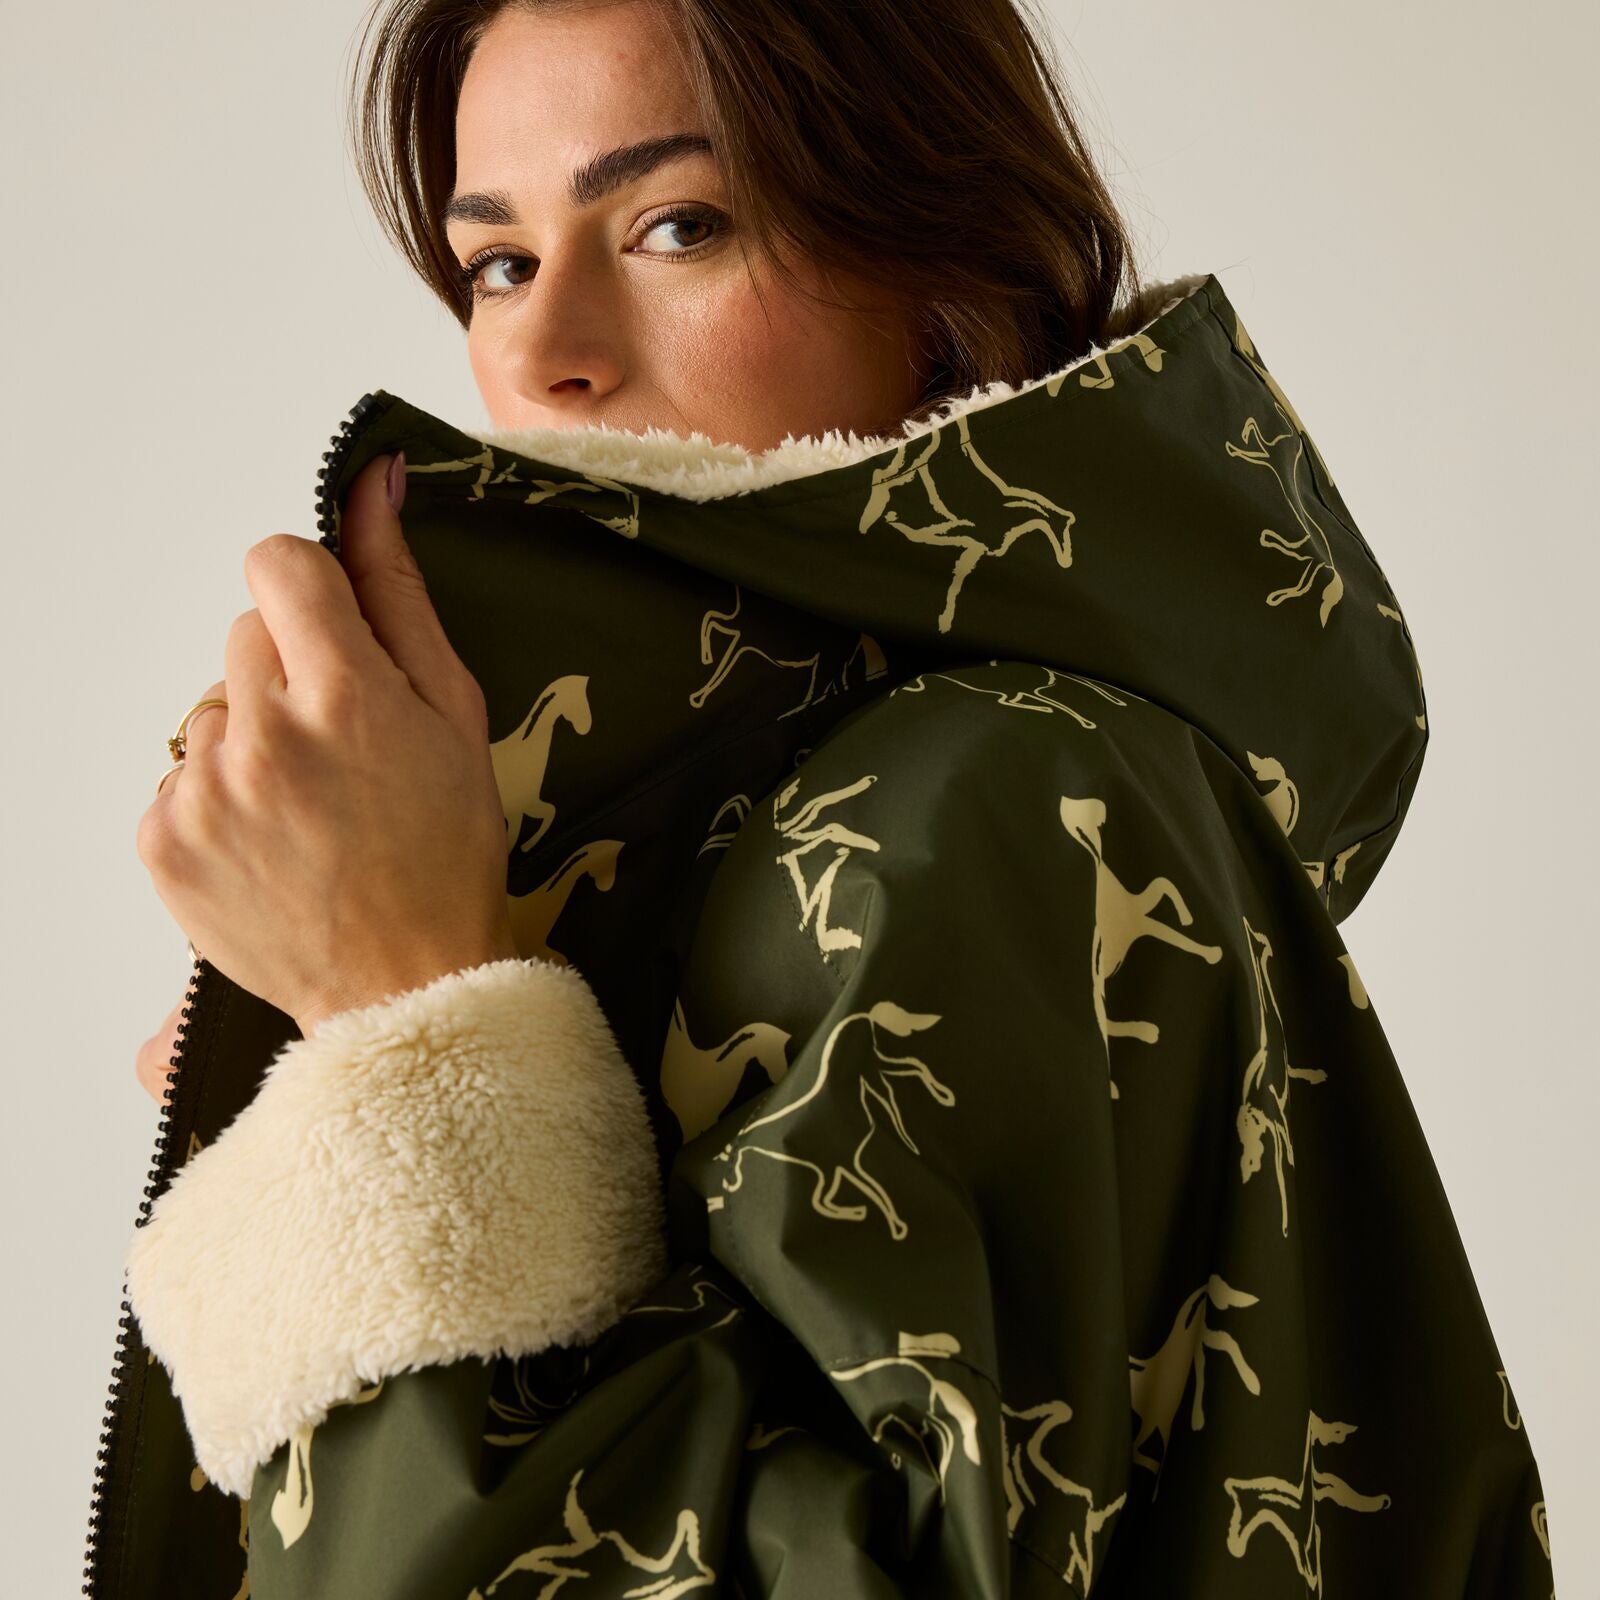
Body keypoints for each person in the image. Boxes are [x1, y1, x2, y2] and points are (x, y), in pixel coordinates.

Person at [98, 0, 1553, 1595]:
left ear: (943, 281)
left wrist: (400, 1024)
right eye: (498, 261)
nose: (541, 346)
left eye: (677, 225)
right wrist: (347, 1088)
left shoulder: (998, 796)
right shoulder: (788, 817)